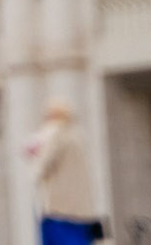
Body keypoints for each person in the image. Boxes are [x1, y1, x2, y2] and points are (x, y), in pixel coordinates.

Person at [21, 100, 102, 245]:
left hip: (59, 210)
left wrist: (34, 160)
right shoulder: (77, 136)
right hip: (84, 212)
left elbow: (42, 167)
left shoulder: (54, 133)